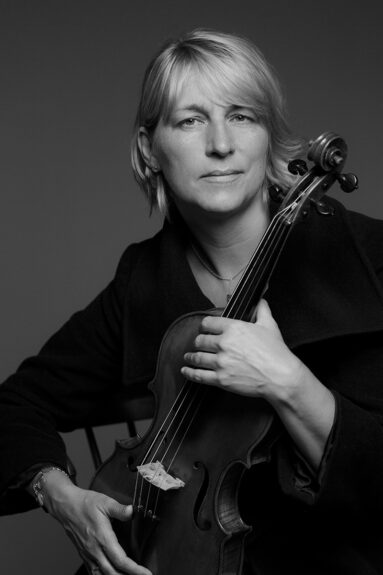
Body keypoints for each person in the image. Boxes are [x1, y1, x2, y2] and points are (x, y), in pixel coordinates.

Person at [1, 28, 383, 575]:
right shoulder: (145, 279)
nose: (221, 143)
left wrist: (286, 379)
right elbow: (14, 408)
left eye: (243, 116)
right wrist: (61, 496)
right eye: (189, 120)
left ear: (269, 138)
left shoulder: (368, 260)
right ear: (148, 149)